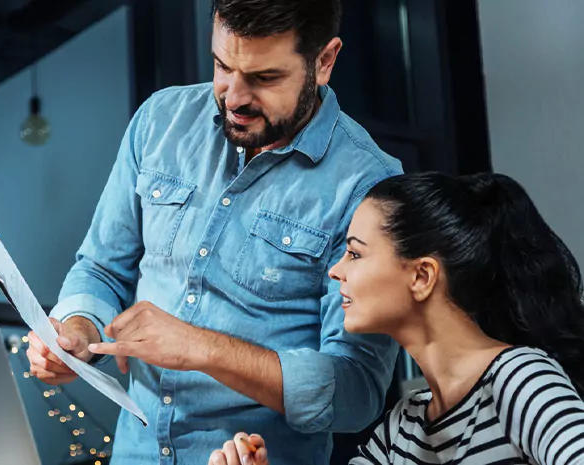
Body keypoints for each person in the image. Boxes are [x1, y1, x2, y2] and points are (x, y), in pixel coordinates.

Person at [25, 0, 404, 463]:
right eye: (223, 66)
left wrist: (201, 347)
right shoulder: (159, 122)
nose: (235, 97)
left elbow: (356, 392)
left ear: (324, 61)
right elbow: (102, 269)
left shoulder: (369, 185)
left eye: (264, 78)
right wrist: (77, 333)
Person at [211, 172, 584, 465]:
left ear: (421, 276)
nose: (336, 271)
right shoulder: (403, 426)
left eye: (355, 254)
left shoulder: (520, 378)